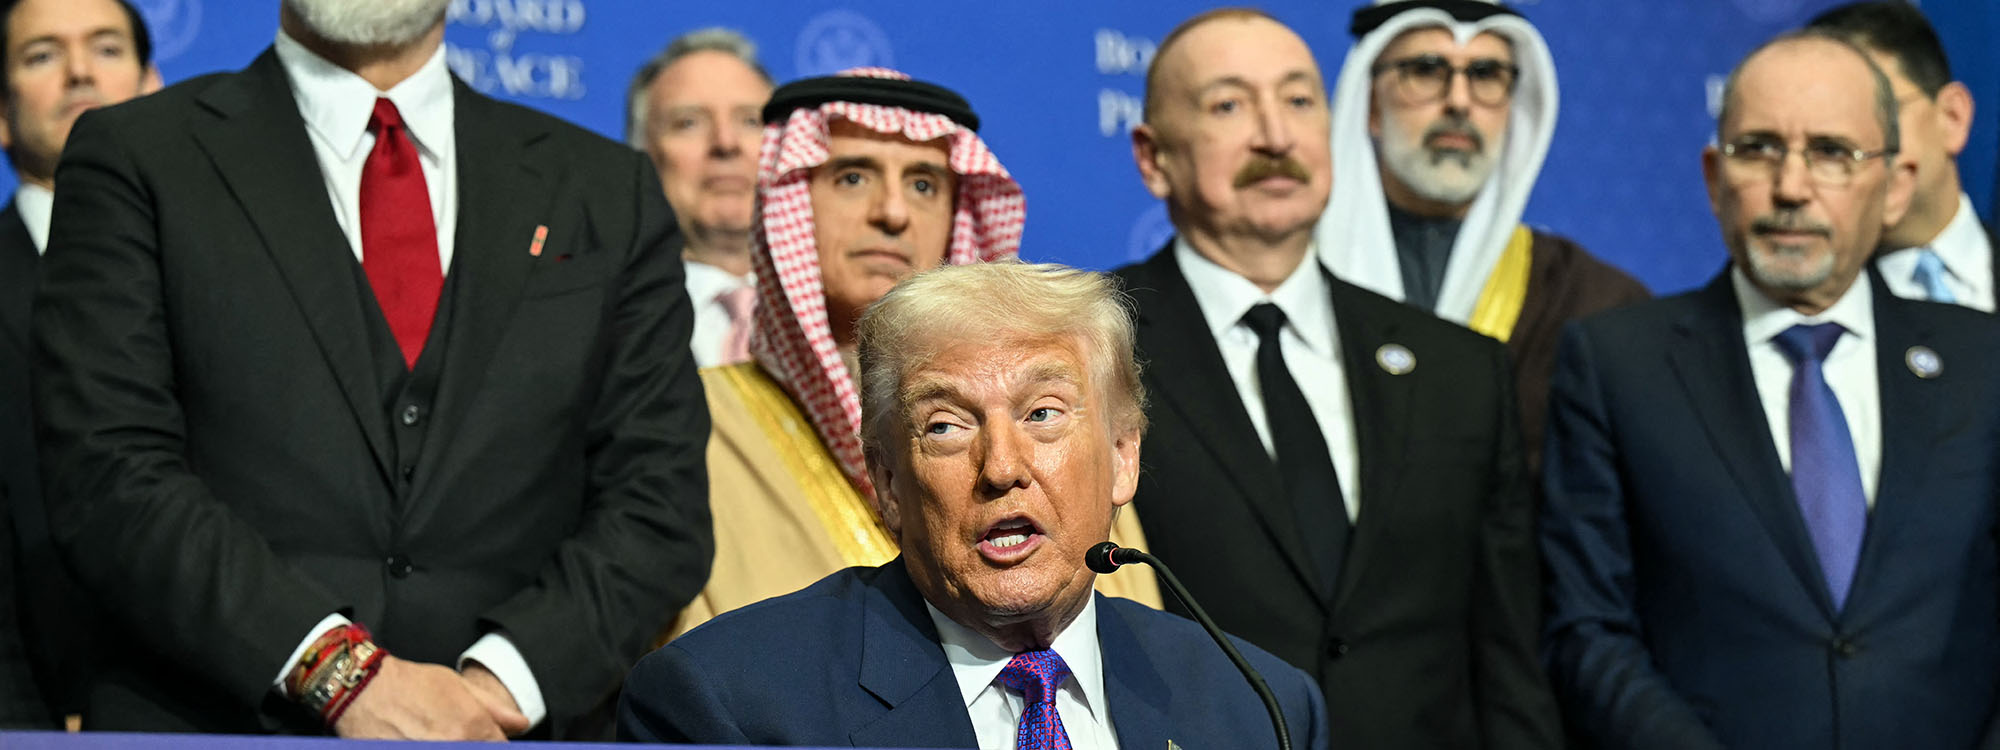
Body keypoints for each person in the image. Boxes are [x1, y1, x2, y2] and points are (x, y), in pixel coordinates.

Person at [31, 0, 711, 738]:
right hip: (216, 723)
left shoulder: (606, 188)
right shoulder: (137, 155)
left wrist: (497, 685)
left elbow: (658, 500)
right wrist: (342, 675)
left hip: (511, 733)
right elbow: (109, 473)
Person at [619, 261, 1329, 749]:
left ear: (1122, 457)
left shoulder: (1258, 705)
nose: (1003, 468)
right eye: (946, 427)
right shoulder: (729, 703)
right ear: (889, 485)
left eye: (1044, 413)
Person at [1540, 31, 2000, 749]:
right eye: (1757, 149)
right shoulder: (1616, 364)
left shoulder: (1983, 361)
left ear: (1895, 184)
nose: (1791, 188)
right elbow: (1587, 632)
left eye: (1831, 153)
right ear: (1712, 177)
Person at [1118, 8, 1559, 748]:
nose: (1276, 136)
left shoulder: (1460, 369)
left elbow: (1508, 657)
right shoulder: (1090, 351)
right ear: (1154, 157)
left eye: (1298, 101)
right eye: (1229, 105)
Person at [673, 68, 1158, 641]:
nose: (893, 213)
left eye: (924, 185)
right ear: (790, 204)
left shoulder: (1059, 432)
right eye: (853, 178)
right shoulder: (692, 419)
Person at [1317, 0, 1647, 468]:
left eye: (1486, 73)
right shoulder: (1292, 279)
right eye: (1426, 70)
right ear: (1370, 104)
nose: (1458, 101)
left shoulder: (1595, 304)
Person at [0, 0, 158, 728]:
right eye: (41, 56)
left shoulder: (243, 282)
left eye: (105, 48)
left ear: (155, 89)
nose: (79, 73)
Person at [1808, 2, 1994, 313]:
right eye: (1826, 138)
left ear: (1952, 117)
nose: (1851, 146)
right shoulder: (1807, 314)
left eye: (1878, 113)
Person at [626, 27, 772, 367]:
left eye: (751, 121)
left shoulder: (849, 320)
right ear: (642, 156)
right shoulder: (604, 317)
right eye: (689, 123)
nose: (725, 143)